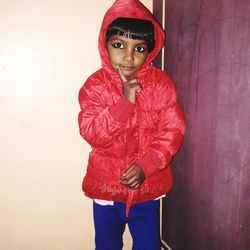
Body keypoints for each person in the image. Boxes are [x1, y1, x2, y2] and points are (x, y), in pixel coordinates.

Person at [78, 0, 185, 249]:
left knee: (149, 245)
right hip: (106, 187)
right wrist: (124, 103)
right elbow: (92, 133)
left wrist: (146, 166)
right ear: (105, 45)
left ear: (150, 50)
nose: (128, 56)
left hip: (147, 186)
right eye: (119, 45)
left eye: (139, 48)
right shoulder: (95, 86)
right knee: (106, 244)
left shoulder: (161, 84)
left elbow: (172, 131)